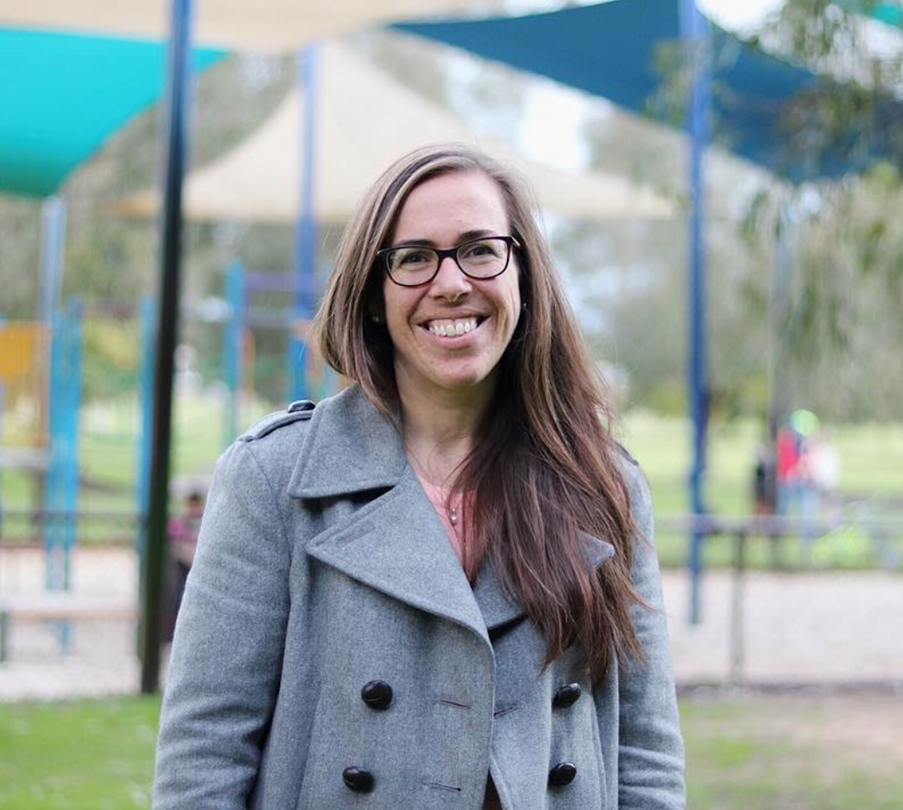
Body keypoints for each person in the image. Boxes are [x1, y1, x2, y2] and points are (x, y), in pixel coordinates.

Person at [153, 144, 685, 809]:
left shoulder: (604, 487)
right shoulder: (273, 480)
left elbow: (646, 760)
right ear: (373, 295)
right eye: (413, 258)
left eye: (480, 249)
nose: (451, 282)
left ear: (523, 271)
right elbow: (203, 758)